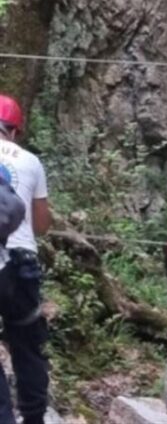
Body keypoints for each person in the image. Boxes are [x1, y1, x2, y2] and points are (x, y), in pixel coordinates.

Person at [0, 95, 51, 424]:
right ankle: (33, 417)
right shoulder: (31, 161)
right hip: (24, 262)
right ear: (15, 130)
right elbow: (42, 226)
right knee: (27, 344)